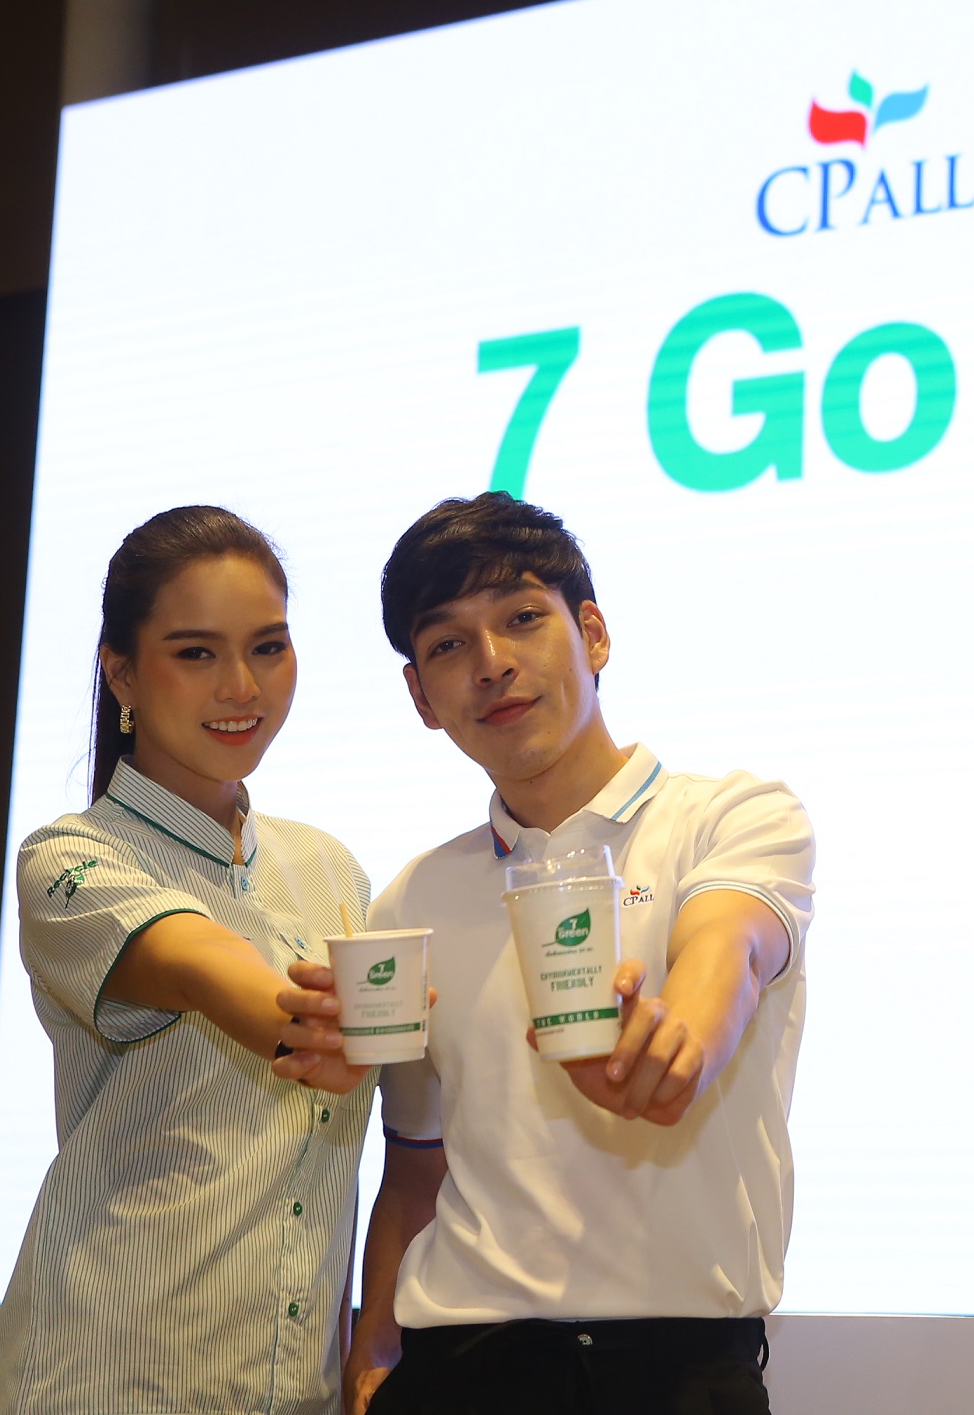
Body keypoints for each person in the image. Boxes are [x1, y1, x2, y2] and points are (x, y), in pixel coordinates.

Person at [277, 494, 814, 1415]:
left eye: (523, 617)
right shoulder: (413, 898)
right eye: (449, 643)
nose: (492, 663)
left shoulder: (732, 816)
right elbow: (417, 1164)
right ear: (421, 697)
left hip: (680, 1372)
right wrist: (372, 1346)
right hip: (462, 1364)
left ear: (593, 633)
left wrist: (676, 1044)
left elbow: (729, 946)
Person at [0, 506, 378, 1415]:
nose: (241, 685)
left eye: (268, 647)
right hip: (106, 1379)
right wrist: (316, 1024)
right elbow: (202, 962)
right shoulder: (70, 858)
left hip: (295, 1387)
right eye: (196, 652)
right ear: (121, 670)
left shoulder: (332, 869)